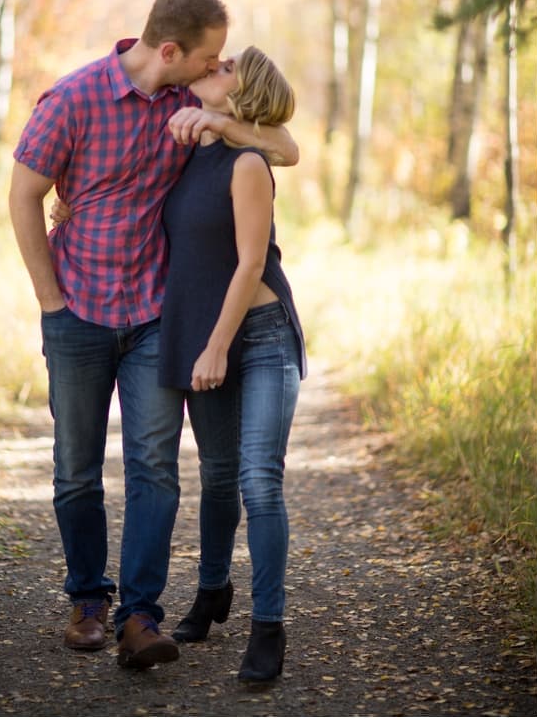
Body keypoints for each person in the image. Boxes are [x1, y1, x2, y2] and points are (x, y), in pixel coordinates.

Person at [9, 0, 298, 670]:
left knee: (156, 469)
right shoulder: (73, 99)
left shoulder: (190, 104)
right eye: (210, 56)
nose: (213, 67)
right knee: (76, 471)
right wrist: (49, 300)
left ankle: (140, 616)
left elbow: (282, 146)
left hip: (152, 317)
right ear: (172, 50)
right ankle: (88, 601)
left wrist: (228, 126)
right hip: (74, 310)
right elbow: (23, 195)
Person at [155, 46, 305, 683]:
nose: (211, 69)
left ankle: (268, 626)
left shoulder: (248, 162)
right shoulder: (191, 145)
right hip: (202, 330)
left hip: (262, 334)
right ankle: (212, 590)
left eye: (225, 68)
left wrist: (216, 346)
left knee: (257, 481)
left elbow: (249, 264)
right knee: (215, 476)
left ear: (242, 97)